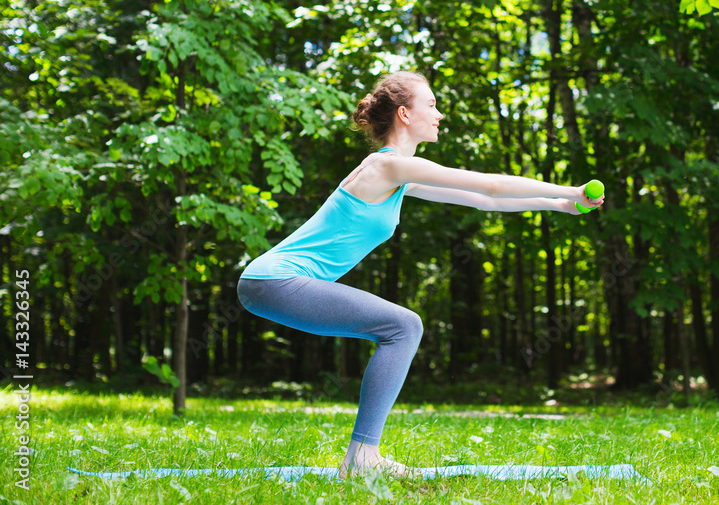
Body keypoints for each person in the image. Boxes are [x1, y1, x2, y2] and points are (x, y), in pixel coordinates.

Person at [236, 70, 604, 479]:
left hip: (270, 282)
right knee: (404, 326)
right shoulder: (386, 167)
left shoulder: (398, 176)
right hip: (275, 279)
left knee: (401, 327)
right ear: (405, 114)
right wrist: (570, 190)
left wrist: (559, 206)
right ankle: (362, 457)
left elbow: (483, 200)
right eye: (431, 105)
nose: (439, 114)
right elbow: (493, 184)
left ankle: (362, 456)